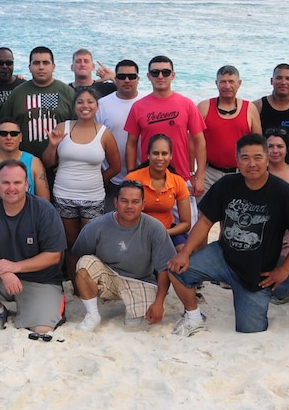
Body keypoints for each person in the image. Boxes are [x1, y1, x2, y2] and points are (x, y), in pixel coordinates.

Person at [166, 134, 289, 335]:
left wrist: (285, 268)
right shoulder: (227, 184)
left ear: (268, 158)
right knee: (175, 269)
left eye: (258, 157)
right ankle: (194, 316)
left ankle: (283, 287)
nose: (252, 164)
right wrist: (185, 252)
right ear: (237, 160)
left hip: (257, 272)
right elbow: (205, 221)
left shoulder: (283, 192)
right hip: (223, 256)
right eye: (245, 158)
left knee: (249, 329)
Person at [0, 160, 67, 333]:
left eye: (17, 182)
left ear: (27, 184)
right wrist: (6, 273)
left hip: (40, 280)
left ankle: (54, 303)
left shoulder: (44, 210)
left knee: (42, 329)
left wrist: (16, 267)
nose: (11, 188)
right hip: (2, 276)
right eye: (5, 182)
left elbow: (54, 256)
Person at [70, 180, 180, 331]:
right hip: (108, 276)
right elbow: (77, 254)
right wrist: (80, 289)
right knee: (85, 263)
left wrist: (160, 302)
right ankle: (92, 314)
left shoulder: (155, 228)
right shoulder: (97, 225)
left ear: (143, 204)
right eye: (124, 201)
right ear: (115, 202)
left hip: (140, 281)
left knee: (135, 323)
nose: (129, 206)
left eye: (135, 202)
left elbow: (164, 269)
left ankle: (134, 307)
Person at [43, 87, 121, 250]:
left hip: (93, 197)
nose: (85, 105)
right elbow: (48, 163)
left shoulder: (104, 133)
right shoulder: (62, 128)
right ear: (74, 106)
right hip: (64, 194)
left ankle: (88, 275)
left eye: (90, 101)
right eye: (80, 102)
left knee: (90, 244)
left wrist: (100, 179)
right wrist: (52, 146)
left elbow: (116, 167)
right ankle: (72, 276)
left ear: (97, 106)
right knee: (70, 243)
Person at [125, 55, 207, 196]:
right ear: (149, 76)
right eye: (155, 73)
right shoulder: (138, 107)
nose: (160, 76)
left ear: (173, 75)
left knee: (186, 218)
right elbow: (131, 144)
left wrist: (199, 176)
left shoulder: (187, 104)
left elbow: (199, 142)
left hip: (181, 178)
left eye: (166, 72)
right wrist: (132, 177)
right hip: (147, 180)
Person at [1, 46, 76, 159]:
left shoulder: (67, 92)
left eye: (45, 63)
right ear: (29, 67)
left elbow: (78, 128)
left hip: (61, 163)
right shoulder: (17, 93)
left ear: (53, 66)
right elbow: (3, 127)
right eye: (36, 63)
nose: (41, 67)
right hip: (23, 162)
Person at [199, 65, 261, 190]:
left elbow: (259, 144)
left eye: (231, 81)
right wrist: (196, 175)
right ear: (216, 83)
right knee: (204, 210)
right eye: (223, 82)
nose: (227, 86)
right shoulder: (204, 107)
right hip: (210, 174)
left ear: (239, 83)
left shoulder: (249, 109)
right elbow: (193, 143)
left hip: (242, 173)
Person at [125, 134, 193, 246]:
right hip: (137, 232)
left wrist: (163, 233)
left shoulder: (178, 181)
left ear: (171, 156)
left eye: (164, 153)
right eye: (155, 153)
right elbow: (123, 214)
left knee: (183, 251)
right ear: (148, 155)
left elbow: (186, 223)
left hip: (168, 231)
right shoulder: (132, 178)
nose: (160, 158)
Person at [0, 120, 51, 210]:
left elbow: (45, 204)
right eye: (3, 133)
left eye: (14, 133)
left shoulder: (35, 163)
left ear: (20, 137)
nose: (8, 137)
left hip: (29, 220)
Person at [95, 59, 143, 199]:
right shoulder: (102, 105)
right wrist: (103, 174)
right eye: (122, 77)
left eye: (132, 76)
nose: (127, 80)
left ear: (138, 79)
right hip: (110, 178)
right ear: (115, 79)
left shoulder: (147, 103)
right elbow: (94, 139)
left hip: (143, 176)